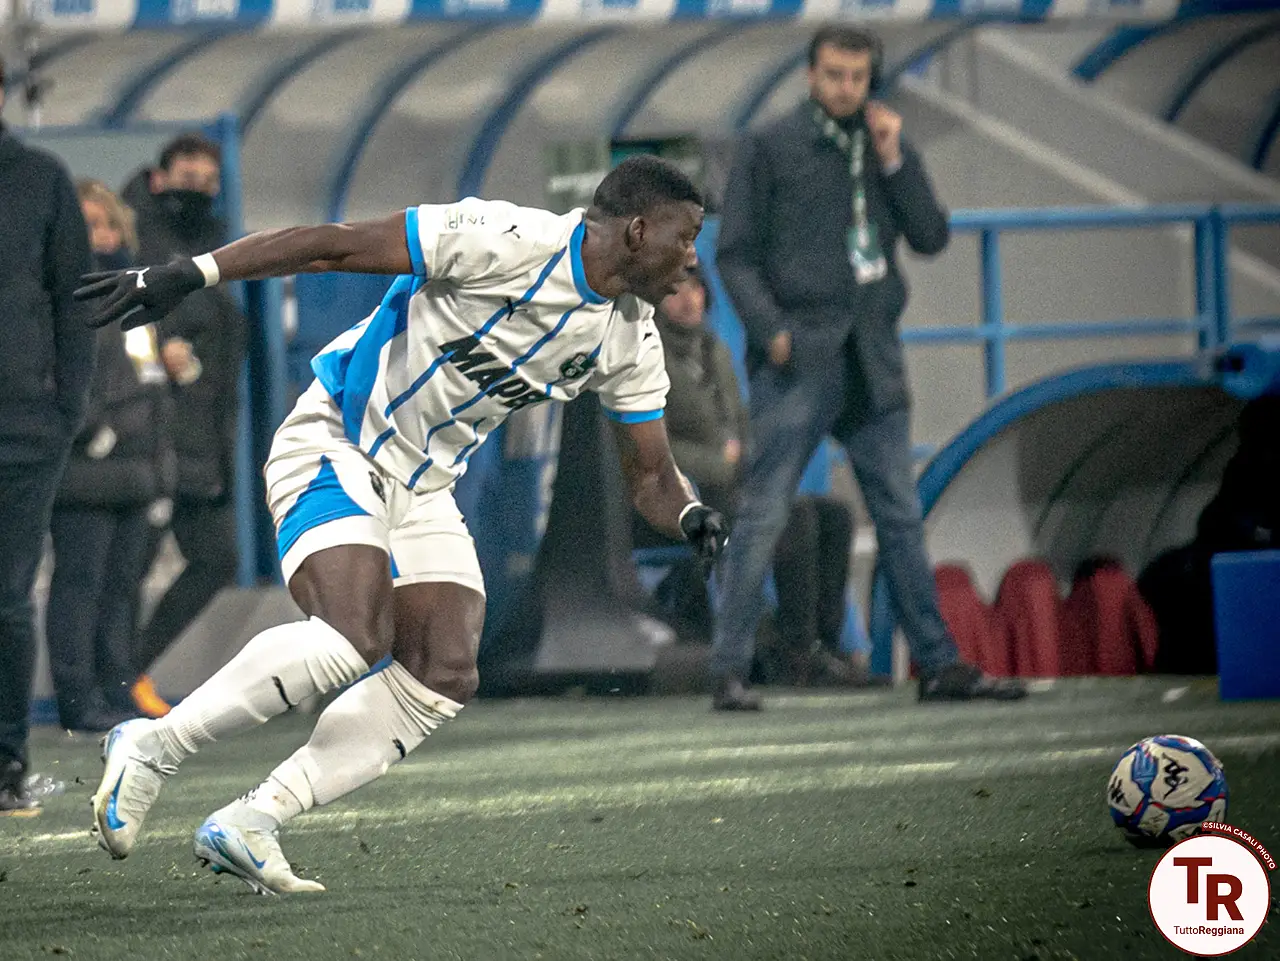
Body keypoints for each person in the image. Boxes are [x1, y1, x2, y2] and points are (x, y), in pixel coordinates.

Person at [77, 155, 727, 893]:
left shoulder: (630, 338)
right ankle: (153, 746)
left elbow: (651, 478)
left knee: (445, 669)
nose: (693, 257)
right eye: (688, 235)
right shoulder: (505, 238)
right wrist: (191, 273)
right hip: (335, 438)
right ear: (640, 230)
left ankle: (254, 819)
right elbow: (333, 244)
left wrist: (692, 514)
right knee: (353, 636)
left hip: (422, 485)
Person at [711, 24, 1026, 709]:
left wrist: (894, 160)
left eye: (857, 77)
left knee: (901, 516)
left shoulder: (886, 145)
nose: (845, 88)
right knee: (764, 512)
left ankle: (939, 665)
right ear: (810, 75)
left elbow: (932, 234)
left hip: (872, 357)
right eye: (833, 75)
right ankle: (728, 670)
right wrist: (773, 334)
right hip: (798, 359)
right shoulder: (769, 146)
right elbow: (733, 253)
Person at [649, 267, 862, 685]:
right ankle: (796, 651)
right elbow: (655, 446)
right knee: (795, 521)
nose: (689, 298)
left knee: (834, 516)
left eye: (695, 288)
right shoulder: (649, 358)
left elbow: (741, 424)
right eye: (675, 290)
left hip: (735, 482)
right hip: (686, 494)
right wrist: (721, 463)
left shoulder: (715, 350)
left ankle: (826, 645)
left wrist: (750, 457)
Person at [0, 54, 97, 814]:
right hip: (31, 421)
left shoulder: (40, 178)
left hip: (23, 427)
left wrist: (66, 410)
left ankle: (3, 768)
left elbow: (74, 301)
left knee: (5, 599)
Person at [43, 181, 176, 731]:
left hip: (137, 472)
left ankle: (114, 689)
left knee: (123, 585)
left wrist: (160, 464)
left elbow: (150, 384)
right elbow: (56, 379)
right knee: (80, 584)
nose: (100, 237)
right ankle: (78, 700)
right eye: (88, 225)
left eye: (107, 225)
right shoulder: (55, 297)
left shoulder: (135, 296)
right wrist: (95, 431)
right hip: (84, 471)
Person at [122, 133, 246, 682]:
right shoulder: (132, 242)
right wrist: (155, 350)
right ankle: (107, 683)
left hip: (201, 437)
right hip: (146, 433)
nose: (198, 192)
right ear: (158, 178)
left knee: (218, 557)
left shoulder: (216, 247)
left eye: (207, 183)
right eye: (187, 179)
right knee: (125, 565)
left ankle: (127, 671)